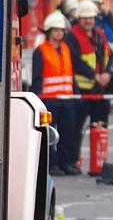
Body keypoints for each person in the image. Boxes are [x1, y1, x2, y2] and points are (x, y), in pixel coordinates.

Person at [64, 0, 113, 174]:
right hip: (81, 91)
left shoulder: (99, 35)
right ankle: (73, 161)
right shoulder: (71, 36)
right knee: (76, 129)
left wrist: (108, 73)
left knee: (99, 127)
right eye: (85, 18)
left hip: (100, 90)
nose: (89, 21)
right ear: (79, 19)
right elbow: (76, 62)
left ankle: (99, 164)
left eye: (91, 18)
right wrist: (95, 76)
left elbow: (109, 55)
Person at [31, 11, 78, 176]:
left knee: (67, 134)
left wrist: (75, 94)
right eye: (56, 30)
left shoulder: (66, 48)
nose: (60, 33)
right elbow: (37, 77)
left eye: (62, 30)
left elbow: (70, 74)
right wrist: (36, 100)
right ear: (49, 31)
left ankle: (66, 163)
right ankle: (51, 164)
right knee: (50, 135)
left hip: (66, 100)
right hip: (49, 100)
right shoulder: (41, 50)